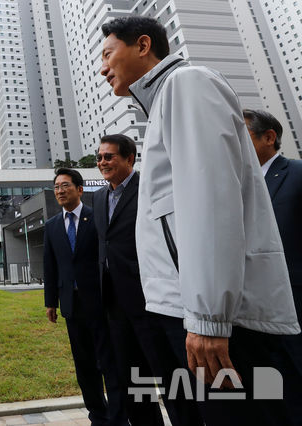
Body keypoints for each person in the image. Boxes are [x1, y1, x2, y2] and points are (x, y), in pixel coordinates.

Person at [100, 15, 299, 426]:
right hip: (187, 313)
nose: (102, 67)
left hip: (214, 323)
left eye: (107, 53)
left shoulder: (186, 85)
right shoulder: (161, 107)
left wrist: (209, 318)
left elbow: (211, 202)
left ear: (142, 45)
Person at [92, 134, 194, 426]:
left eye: (108, 156)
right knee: (132, 383)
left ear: (129, 158)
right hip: (114, 305)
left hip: (151, 300)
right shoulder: (98, 197)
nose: (102, 162)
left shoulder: (149, 189)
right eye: (99, 157)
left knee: (170, 378)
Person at [44, 168, 127, 426]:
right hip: (72, 305)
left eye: (66, 185)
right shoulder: (52, 225)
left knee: (109, 362)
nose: (60, 190)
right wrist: (50, 302)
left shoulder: (97, 217)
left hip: (100, 302)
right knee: (84, 366)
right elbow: (50, 265)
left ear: (80, 190)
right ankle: (98, 415)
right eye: (57, 187)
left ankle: (118, 417)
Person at [244, 108, 302, 424]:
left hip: (294, 303)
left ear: (269, 137)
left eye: (242, 137)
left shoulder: (296, 174)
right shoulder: (235, 185)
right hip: (252, 311)